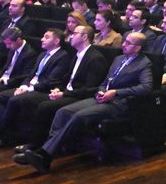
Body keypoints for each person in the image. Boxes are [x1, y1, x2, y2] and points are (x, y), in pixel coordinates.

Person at [13, 32, 153, 174]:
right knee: (63, 111)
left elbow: (146, 88)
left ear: (137, 48)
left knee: (79, 116)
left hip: (118, 103)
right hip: (102, 97)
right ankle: (47, 151)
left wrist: (116, 92)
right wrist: (101, 91)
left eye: (128, 43)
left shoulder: (144, 64)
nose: (123, 44)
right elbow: (106, 81)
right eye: (124, 41)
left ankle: (45, 154)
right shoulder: (119, 59)